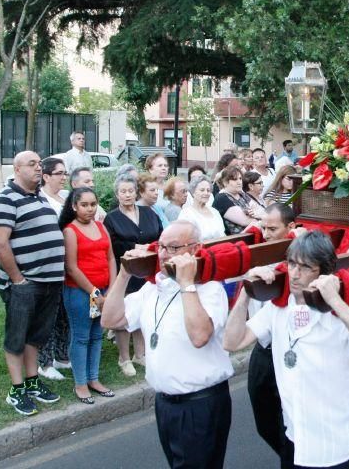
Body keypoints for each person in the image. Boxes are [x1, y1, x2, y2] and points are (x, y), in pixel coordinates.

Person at [225, 231, 349, 469]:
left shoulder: (342, 314)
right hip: (295, 437)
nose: (294, 274)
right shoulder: (278, 308)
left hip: (335, 444)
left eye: (305, 267)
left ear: (323, 271)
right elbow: (232, 342)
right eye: (291, 264)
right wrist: (246, 293)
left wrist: (336, 301)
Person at [102, 221, 234, 469]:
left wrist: (186, 283)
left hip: (201, 405)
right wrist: (124, 272)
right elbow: (111, 319)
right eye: (161, 246)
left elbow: (199, 336)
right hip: (165, 404)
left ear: (195, 249)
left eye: (173, 248)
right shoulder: (153, 289)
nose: (163, 254)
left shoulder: (210, 290)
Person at [0, 151, 65, 415]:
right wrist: (17, 279)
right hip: (25, 284)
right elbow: (0, 243)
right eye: (32, 164)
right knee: (17, 337)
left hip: (49, 282)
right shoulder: (5, 198)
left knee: (36, 336)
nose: (38, 167)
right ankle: (17, 389)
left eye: (40, 163)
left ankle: (32, 382)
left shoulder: (39, 197)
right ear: (16, 168)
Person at [246, 203, 298, 458]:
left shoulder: (301, 260)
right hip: (263, 349)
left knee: (290, 422)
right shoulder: (256, 251)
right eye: (263, 227)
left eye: (273, 229)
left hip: (290, 351)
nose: (266, 234)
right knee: (263, 420)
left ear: (291, 228)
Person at [59, 187, 116, 404]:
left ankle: (93, 378)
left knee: (96, 336)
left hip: (103, 292)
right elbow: (72, 267)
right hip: (79, 292)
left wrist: (111, 289)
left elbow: (110, 258)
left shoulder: (101, 226)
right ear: (74, 206)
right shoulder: (70, 231)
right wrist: (95, 293)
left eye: (93, 204)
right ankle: (81, 383)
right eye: (84, 205)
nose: (89, 209)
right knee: (81, 337)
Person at [103, 175, 162, 377]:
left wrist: (152, 247)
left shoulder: (148, 212)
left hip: (148, 270)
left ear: (136, 192)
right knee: (125, 314)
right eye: (123, 191)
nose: (127, 195)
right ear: (117, 194)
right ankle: (123, 358)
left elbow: (160, 235)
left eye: (130, 191)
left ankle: (140, 354)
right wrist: (134, 247)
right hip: (126, 271)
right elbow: (111, 245)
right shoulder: (111, 218)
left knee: (142, 312)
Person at [37, 157, 71, 381]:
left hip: (69, 262)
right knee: (47, 314)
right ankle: (44, 362)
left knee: (64, 312)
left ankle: (62, 355)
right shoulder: (40, 199)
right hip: (49, 263)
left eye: (64, 173)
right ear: (46, 176)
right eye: (59, 173)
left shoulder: (67, 196)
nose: (63, 177)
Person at [176, 175, 226, 241]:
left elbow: (223, 235)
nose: (206, 193)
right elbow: (184, 239)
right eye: (202, 190)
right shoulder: (186, 214)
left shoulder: (215, 212)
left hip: (220, 248)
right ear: (193, 192)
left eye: (208, 190)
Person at [213, 166, 256, 235]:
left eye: (240, 178)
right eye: (235, 179)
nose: (239, 182)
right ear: (225, 182)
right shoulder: (222, 198)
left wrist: (255, 214)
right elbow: (245, 221)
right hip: (236, 240)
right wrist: (257, 216)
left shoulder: (241, 193)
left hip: (250, 235)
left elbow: (257, 209)